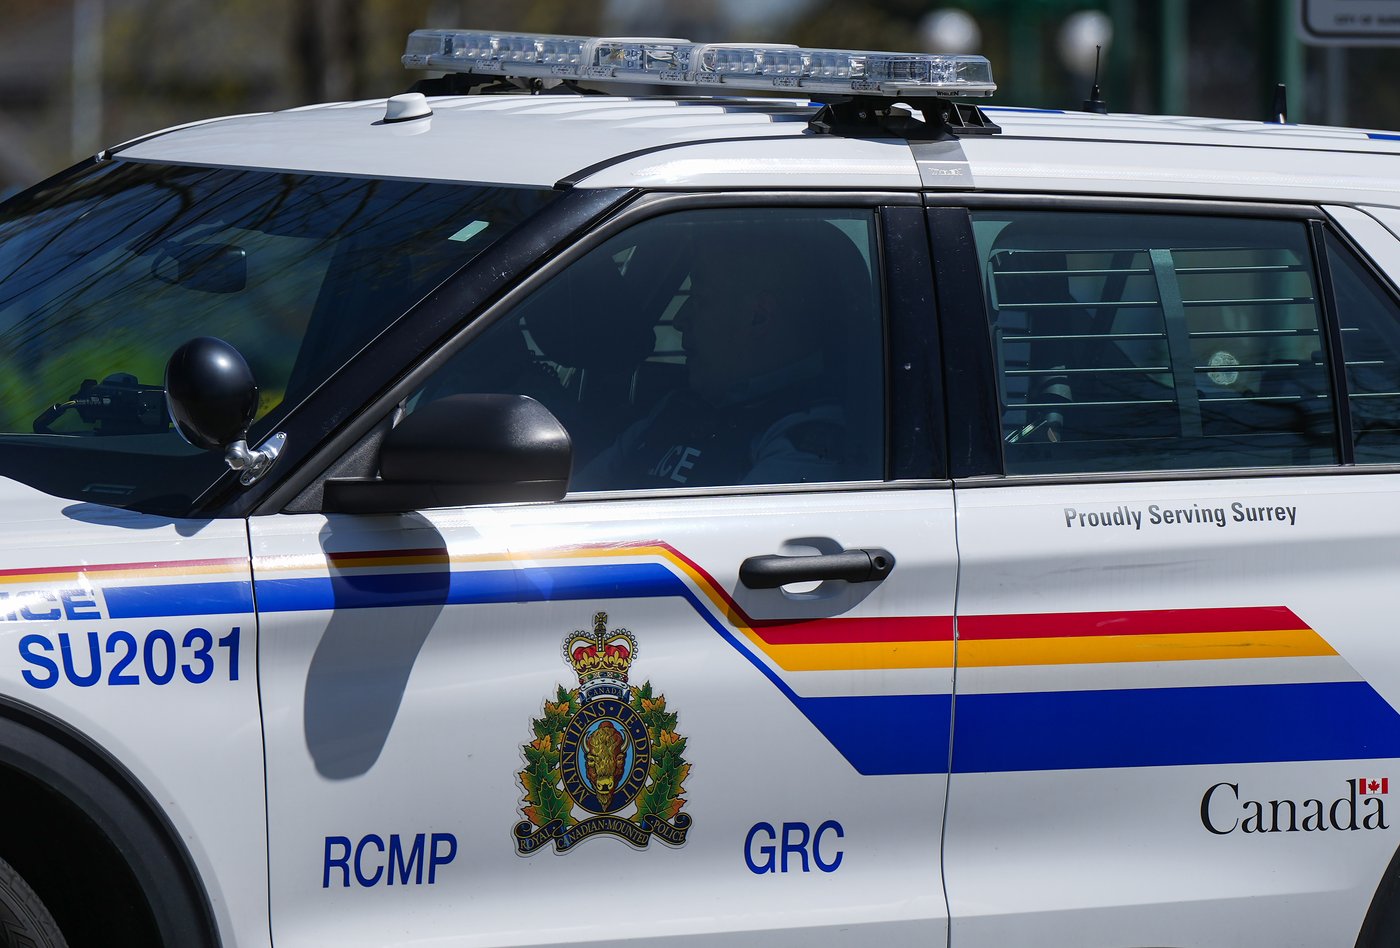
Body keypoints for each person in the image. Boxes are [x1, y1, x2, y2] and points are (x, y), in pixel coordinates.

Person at [576, 224, 865, 490]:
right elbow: (580, 495)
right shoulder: (679, 406)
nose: (679, 319)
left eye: (700, 297)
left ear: (758, 317)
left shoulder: (810, 439)